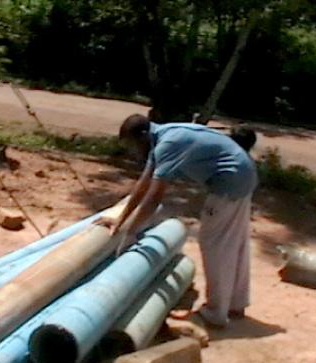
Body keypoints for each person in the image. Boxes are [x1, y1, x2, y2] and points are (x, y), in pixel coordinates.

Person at [99, 114, 258, 328]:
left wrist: (130, 233)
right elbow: (143, 186)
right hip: (243, 174)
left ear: (143, 135)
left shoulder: (167, 144)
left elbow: (154, 197)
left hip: (228, 183)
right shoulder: (163, 135)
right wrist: (120, 221)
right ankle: (236, 304)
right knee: (235, 241)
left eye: (133, 144)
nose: (133, 150)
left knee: (214, 244)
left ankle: (216, 312)